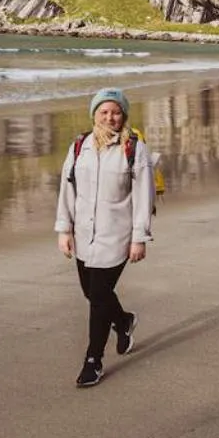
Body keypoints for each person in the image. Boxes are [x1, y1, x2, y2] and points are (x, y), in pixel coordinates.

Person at [55, 88, 156, 388]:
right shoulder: (79, 146)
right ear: (94, 114)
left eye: (116, 112)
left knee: (98, 297)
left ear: (124, 116)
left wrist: (139, 238)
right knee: (91, 292)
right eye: (104, 112)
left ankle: (93, 360)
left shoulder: (134, 149)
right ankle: (123, 321)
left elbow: (144, 196)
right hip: (84, 235)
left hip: (117, 236)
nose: (110, 117)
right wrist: (64, 230)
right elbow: (67, 190)